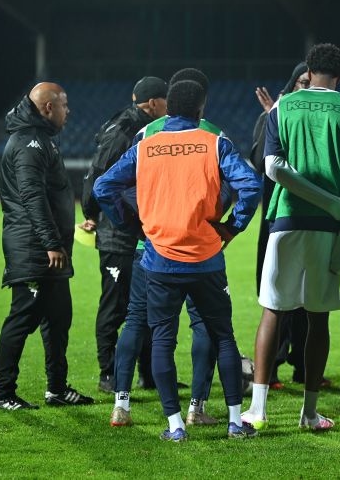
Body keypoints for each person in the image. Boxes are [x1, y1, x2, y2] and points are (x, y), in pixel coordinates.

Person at [94, 79, 262, 441]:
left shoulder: (145, 143)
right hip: (207, 258)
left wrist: (132, 225)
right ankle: (232, 421)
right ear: (201, 109)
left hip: (159, 258)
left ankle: (173, 425)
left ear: (166, 107)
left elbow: (102, 186)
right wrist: (232, 227)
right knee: (222, 335)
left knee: (159, 337)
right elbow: (250, 184)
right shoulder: (215, 141)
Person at [242, 43, 340, 432]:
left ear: (308, 72)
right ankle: (310, 413)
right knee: (318, 319)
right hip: (327, 230)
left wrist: (320, 200)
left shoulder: (282, 108)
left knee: (272, 311)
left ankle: (258, 410)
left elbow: (273, 168)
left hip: (285, 221)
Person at [104, 68, 228, 428]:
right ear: (202, 102)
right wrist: (215, 222)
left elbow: (124, 183)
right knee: (203, 324)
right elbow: (230, 185)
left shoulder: (146, 134)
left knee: (137, 320)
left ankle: (121, 405)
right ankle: (196, 408)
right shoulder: (214, 136)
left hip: (152, 244)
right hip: (199, 250)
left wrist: (140, 222)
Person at [0, 82, 94, 410]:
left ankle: (57, 389)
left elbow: (48, 196)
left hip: (49, 248)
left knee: (59, 318)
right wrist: (51, 242)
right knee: (22, 318)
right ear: (48, 107)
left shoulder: (40, 138)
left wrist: (65, 230)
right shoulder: (29, 142)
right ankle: (3, 393)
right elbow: (32, 195)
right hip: (34, 249)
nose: (69, 111)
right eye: (64, 105)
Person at [80, 76, 168, 393]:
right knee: (115, 305)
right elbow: (98, 172)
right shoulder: (126, 129)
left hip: (139, 231)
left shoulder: (139, 126)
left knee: (146, 304)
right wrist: (91, 212)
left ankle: (149, 373)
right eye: (166, 101)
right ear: (154, 103)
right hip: (117, 232)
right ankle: (108, 374)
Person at [250, 64, 330, 390]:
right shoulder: (274, 115)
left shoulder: (323, 117)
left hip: (313, 218)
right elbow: (261, 163)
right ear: (292, 84)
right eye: (301, 82)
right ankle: (271, 371)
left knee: (309, 298)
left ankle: (304, 368)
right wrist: (274, 119)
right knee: (278, 298)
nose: (307, 88)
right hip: (278, 218)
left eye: (311, 82)